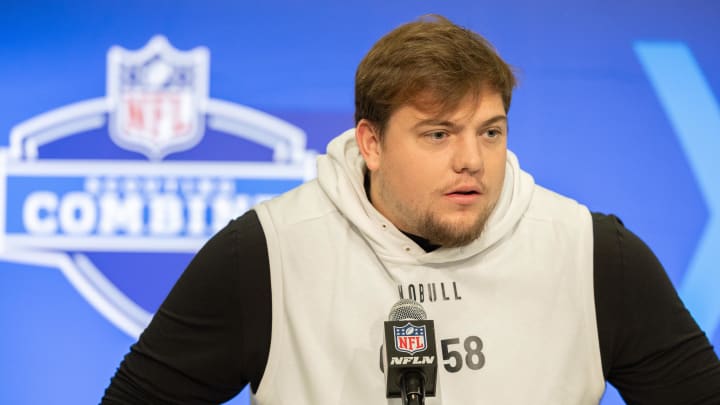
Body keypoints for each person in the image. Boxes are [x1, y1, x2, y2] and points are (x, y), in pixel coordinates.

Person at [102, 15, 720, 404]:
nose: (472, 160)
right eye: (438, 134)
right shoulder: (269, 253)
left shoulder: (593, 254)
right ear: (371, 144)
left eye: (491, 132)